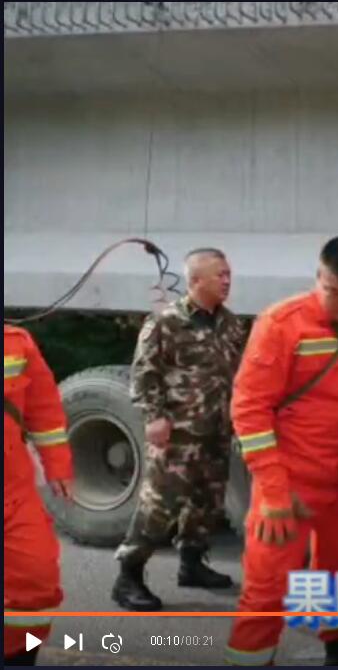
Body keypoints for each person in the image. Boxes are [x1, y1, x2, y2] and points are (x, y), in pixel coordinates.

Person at [225, 236, 338, 666]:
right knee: (267, 586)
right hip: (290, 483)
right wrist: (274, 492)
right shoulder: (281, 324)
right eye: (334, 291)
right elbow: (249, 410)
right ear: (318, 277)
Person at [112, 248, 246, 611]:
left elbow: (238, 372)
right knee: (159, 506)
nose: (227, 281)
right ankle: (128, 577)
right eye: (220, 275)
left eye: (228, 274)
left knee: (207, 503)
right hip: (177, 433)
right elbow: (145, 373)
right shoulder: (166, 322)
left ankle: (192, 564)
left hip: (216, 430)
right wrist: (154, 416)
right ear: (196, 280)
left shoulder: (230, 323)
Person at [4, 326, 73, 666]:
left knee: (36, 579)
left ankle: (19, 657)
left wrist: (57, 465)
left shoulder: (15, 343)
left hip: (12, 489)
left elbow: (43, 407)